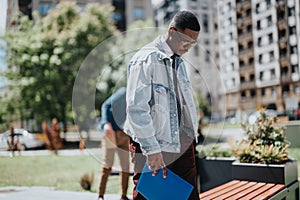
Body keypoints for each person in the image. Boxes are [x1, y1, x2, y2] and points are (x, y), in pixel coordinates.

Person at [124, 11, 201, 200]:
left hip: (183, 142)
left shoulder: (179, 61)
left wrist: (192, 136)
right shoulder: (145, 59)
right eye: (186, 41)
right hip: (154, 144)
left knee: (189, 197)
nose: (189, 47)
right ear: (172, 31)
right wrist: (151, 148)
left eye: (193, 43)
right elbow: (136, 109)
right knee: (150, 196)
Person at [98, 87, 130, 200]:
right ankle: (100, 195)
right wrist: (106, 123)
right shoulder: (124, 92)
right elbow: (105, 105)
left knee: (126, 166)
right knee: (108, 165)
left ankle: (124, 196)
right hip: (111, 133)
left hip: (124, 134)